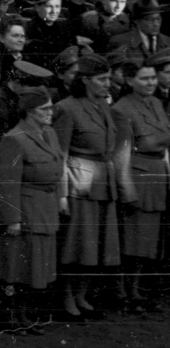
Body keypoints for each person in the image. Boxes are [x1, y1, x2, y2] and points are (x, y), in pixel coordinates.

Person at [0, 88, 63, 333]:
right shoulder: (15, 138)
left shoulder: (49, 132)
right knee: (14, 269)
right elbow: (7, 182)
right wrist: (12, 219)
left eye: (51, 108)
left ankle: (24, 316)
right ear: (29, 112)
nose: (50, 113)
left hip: (45, 208)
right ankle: (12, 317)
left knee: (33, 269)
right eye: (44, 109)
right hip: (25, 211)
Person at [51, 53, 120, 320]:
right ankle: (67, 298)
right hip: (80, 183)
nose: (107, 84)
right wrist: (62, 195)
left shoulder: (103, 106)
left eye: (108, 79)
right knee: (76, 246)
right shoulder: (67, 108)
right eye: (101, 80)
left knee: (97, 246)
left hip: (104, 181)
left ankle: (82, 295)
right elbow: (62, 155)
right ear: (86, 80)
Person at [110, 60, 170, 310]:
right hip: (137, 175)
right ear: (130, 81)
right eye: (144, 79)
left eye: (153, 78)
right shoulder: (122, 109)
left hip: (157, 175)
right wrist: (127, 188)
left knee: (146, 240)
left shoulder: (156, 103)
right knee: (130, 240)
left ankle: (135, 290)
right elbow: (120, 154)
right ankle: (122, 292)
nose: (150, 83)